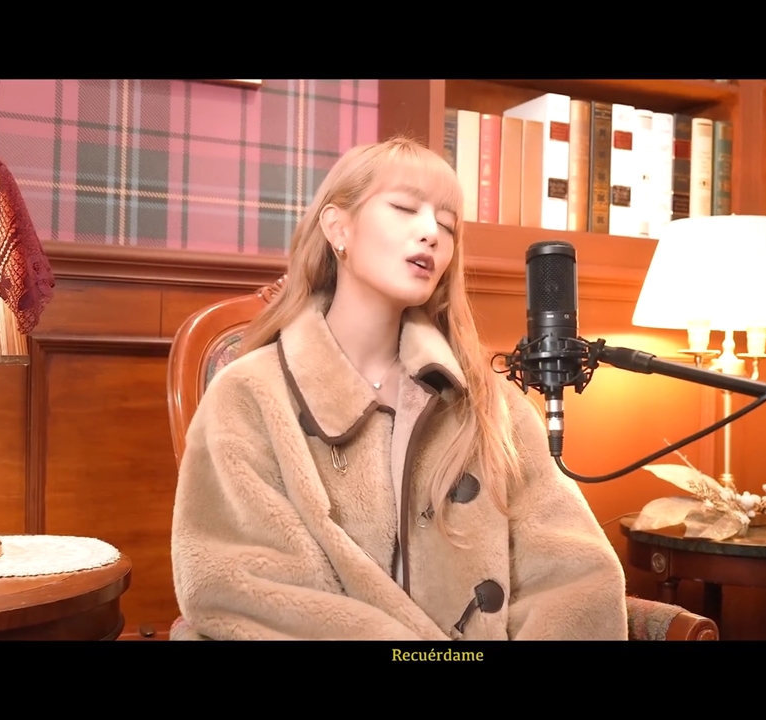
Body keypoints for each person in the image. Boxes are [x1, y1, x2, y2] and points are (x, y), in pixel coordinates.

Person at [170, 136, 629, 640]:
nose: (431, 233)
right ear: (338, 227)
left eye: (447, 225)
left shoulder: (491, 404)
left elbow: (577, 577)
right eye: (405, 209)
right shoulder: (248, 394)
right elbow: (239, 585)